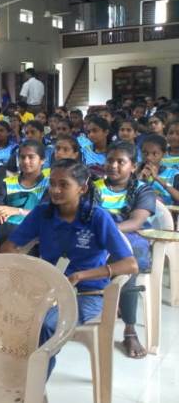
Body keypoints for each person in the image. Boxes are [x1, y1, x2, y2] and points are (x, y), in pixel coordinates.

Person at [0, 159, 138, 375]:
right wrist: (28, 272)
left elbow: (130, 264)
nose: (55, 190)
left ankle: (32, 386)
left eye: (63, 185)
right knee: (5, 314)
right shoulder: (43, 212)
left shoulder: (97, 217)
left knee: (46, 324)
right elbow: (9, 247)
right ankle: (15, 377)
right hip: (47, 287)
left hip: (87, 292)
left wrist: (80, 276)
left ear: (82, 188)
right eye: (52, 183)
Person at [94, 141, 156, 358]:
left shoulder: (143, 190)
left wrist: (107, 232)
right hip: (99, 235)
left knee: (127, 259)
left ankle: (129, 329)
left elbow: (137, 222)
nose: (113, 165)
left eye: (121, 161)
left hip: (131, 237)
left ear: (133, 166)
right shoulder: (94, 187)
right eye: (110, 160)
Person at [0, 140, 49, 242]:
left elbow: (46, 215)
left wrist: (17, 211)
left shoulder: (49, 184)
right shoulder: (7, 183)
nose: (26, 161)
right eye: (22, 157)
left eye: (31, 157)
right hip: (4, 233)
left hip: (34, 237)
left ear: (42, 160)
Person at [139, 134, 179, 204]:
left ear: (164, 154)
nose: (148, 157)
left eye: (155, 154)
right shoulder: (135, 172)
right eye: (145, 153)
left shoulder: (173, 173)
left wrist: (157, 178)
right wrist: (140, 180)